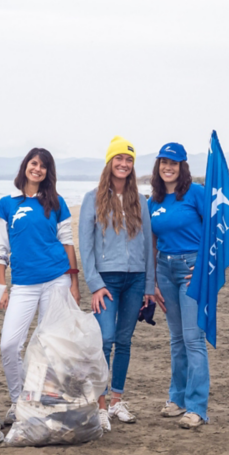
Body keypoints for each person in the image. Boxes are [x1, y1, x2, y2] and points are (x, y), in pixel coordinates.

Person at [0, 148, 80, 425]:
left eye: (43, 166)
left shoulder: (56, 202)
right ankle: (19, 402)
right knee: (9, 344)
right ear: (25, 167)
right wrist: (2, 287)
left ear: (48, 172)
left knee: (50, 346)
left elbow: (67, 242)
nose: (37, 169)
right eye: (33, 163)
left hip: (56, 279)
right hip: (24, 285)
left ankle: (46, 400)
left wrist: (74, 283)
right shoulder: (6, 204)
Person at [79, 136, 155, 432]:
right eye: (119, 159)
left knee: (124, 341)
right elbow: (86, 247)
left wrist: (149, 285)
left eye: (129, 160)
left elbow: (148, 245)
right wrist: (95, 284)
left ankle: (117, 401)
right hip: (106, 281)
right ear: (110, 163)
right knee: (105, 338)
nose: (124, 164)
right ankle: (99, 405)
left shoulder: (141, 201)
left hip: (135, 279)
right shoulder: (92, 198)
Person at [148, 143, 208, 429]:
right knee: (176, 339)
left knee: (193, 338)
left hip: (190, 271)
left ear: (182, 166)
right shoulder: (154, 201)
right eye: (163, 163)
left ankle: (197, 407)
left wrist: (206, 266)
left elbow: (216, 229)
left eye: (173, 163)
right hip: (165, 270)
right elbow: (152, 243)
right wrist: (154, 281)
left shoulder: (196, 193)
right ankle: (178, 398)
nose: (168, 167)